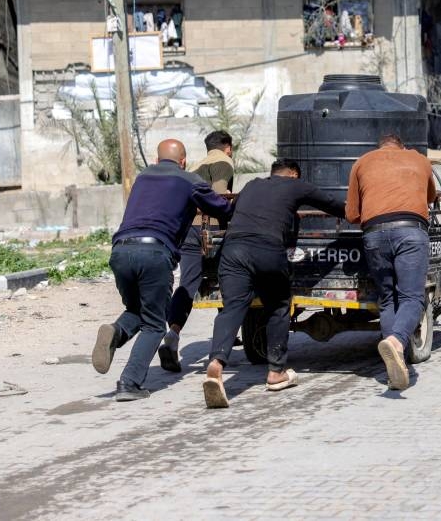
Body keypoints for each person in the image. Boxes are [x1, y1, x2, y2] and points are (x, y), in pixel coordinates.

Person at [91, 139, 233, 402]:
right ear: (183, 161)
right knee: (155, 325)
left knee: (138, 310)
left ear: (156, 160)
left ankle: (116, 332)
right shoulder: (188, 180)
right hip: (155, 253)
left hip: (120, 250)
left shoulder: (143, 177)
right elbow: (221, 207)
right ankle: (129, 383)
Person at [202, 159, 345, 409]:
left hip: (232, 250)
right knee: (278, 304)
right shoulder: (295, 185)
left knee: (233, 307)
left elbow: (233, 211)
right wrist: (358, 213)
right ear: (293, 174)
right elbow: (331, 204)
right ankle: (276, 371)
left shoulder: (250, 185)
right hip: (266, 248)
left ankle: (216, 363)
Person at [346, 133, 436, 390]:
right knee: (412, 297)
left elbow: (352, 213)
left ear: (379, 147)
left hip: (374, 234)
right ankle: (396, 342)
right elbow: (429, 198)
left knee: (386, 299)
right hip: (410, 230)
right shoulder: (419, 159)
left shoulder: (362, 162)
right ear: (403, 146)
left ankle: (394, 365)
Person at [158, 130, 235, 373]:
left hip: (188, 229)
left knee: (188, 283)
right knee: (230, 277)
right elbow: (220, 193)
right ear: (228, 147)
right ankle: (225, 340)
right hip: (209, 230)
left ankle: (173, 333)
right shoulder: (223, 161)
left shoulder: (195, 166)